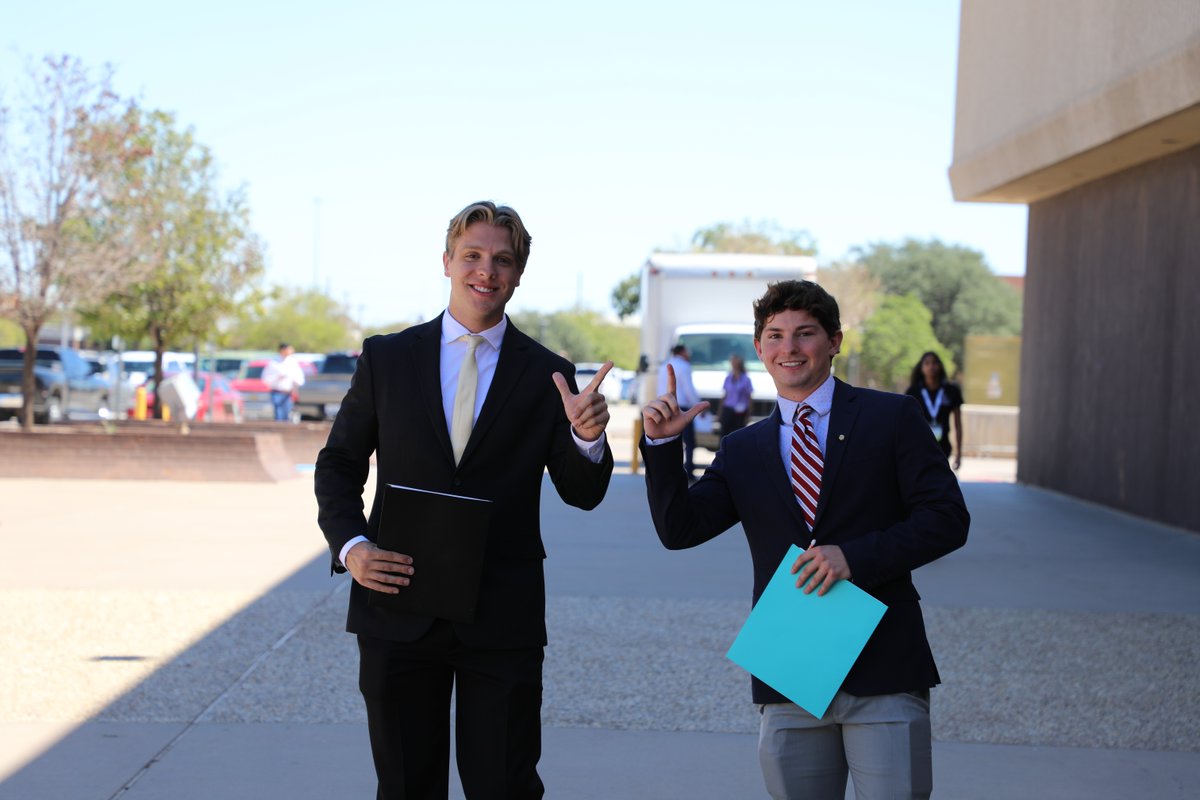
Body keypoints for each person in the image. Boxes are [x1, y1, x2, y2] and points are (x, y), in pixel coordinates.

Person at [314, 201, 614, 800]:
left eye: (502, 260)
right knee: (405, 786)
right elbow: (339, 464)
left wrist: (587, 438)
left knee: (504, 786)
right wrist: (352, 547)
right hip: (396, 603)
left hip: (502, 616)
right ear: (447, 261)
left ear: (519, 274)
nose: (486, 270)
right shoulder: (387, 358)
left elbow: (582, 495)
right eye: (472, 256)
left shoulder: (549, 373)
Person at [640, 280, 969, 800]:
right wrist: (660, 447)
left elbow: (949, 518)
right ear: (759, 348)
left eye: (805, 333)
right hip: (791, 666)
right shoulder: (743, 449)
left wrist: (853, 558)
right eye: (774, 335)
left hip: (882, 663)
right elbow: (680, 530)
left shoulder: (891, 418)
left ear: (835, 341)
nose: (788, 348)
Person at [905, 351, 965, 470]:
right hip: (919, 445)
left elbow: (958, 424)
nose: (931, 366)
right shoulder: (913, 391)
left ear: (940, 366)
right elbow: (907, 423)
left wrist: (959, 453)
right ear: (921, 368)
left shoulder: (951, 391)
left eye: (935, 363)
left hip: (943, 446)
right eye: (927, 363)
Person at [656, 343, 700, 479]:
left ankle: (665, 471)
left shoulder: (664, 365)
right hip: (681, 407)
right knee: (689, 442)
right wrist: (698, 406)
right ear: (682, 352)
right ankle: (688, 471)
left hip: (664, 405)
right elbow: (688, 390)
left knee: (667, 440)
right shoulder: (684, 366)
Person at [261, 342, 306, 422]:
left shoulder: (292, 362)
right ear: (282, 350)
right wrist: (276, 378)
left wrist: (296, 384)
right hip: (277, 391)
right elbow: (265, 377)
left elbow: (298, 377)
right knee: (279, 413)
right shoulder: (273, 362)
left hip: (288, 392)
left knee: (286, 413)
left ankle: (286, 432)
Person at [718, 353, 753, 440]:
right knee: (724, 433)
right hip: (728, 409)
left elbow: (749, 397)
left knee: (737, 434)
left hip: (740, 411)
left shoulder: (746, 379)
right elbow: (725, 395)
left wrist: (749, 413)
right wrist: (720, 411)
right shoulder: (728, 378)